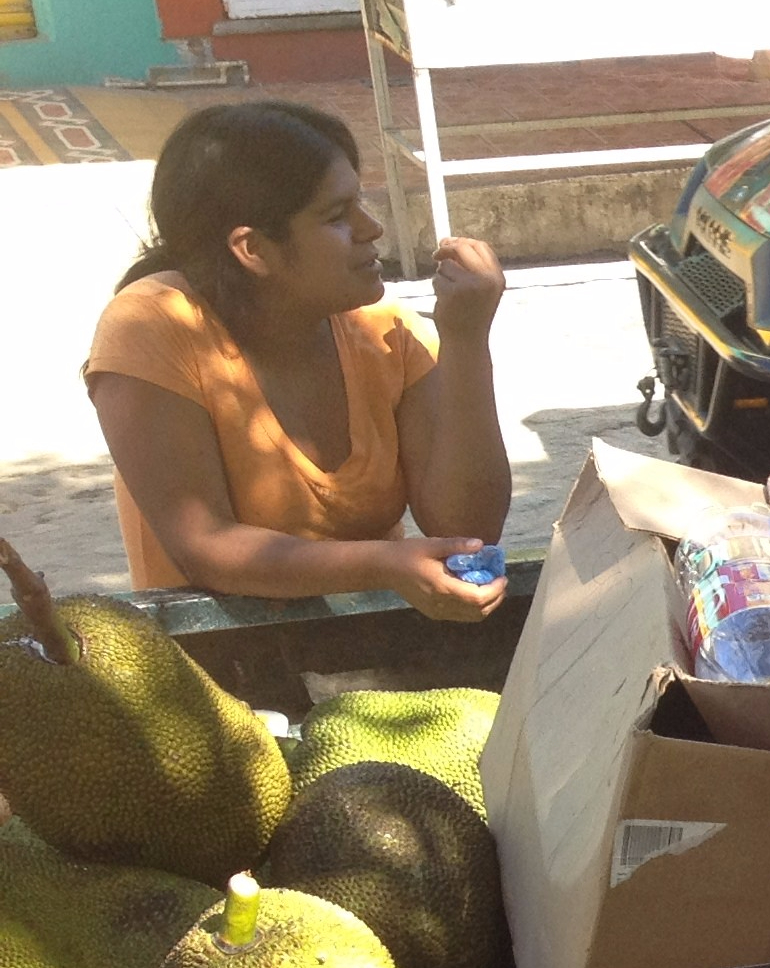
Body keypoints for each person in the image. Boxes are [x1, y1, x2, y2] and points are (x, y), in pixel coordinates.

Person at [87, 101, 511, 621]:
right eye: (337, 216)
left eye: (361, 202)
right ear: (253, 249)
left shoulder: (383, 329)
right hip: (215, 664)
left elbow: (468, 526)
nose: (371, 227)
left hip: (359, 651)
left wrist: (466, 341)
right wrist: (383, 563)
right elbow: (205, 547)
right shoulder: (152, 327)